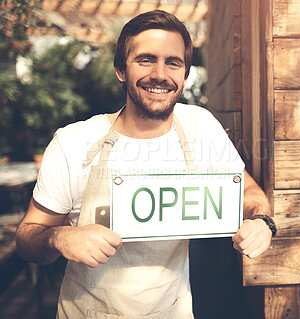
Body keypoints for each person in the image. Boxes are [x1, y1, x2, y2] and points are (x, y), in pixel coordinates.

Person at [16, 10, 276, 318]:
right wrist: (58, 237)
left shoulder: (200, 126)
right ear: (120, 70)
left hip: (173, 311)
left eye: (173, 62)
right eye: (146, 59)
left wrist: (262, 222)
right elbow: (27, 238)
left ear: (185, 74)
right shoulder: (73, 142)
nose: (160, 74)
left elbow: (246, 190)